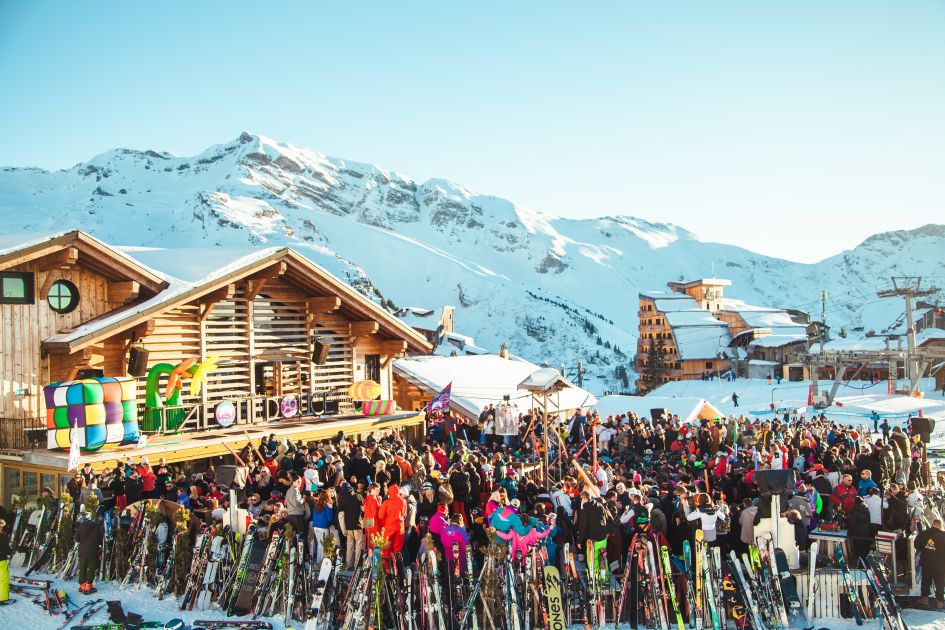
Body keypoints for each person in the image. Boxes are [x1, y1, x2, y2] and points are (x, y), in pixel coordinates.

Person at [915, 519, 945, 608]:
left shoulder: (924, 533)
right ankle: (939, 602)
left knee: (926, 580)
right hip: (940, 564)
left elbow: (917, 545)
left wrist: (926, 549)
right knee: (939, 582)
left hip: (926, 561)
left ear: (932, 524)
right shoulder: (943, 535)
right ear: (940, 526)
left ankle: (924, 599)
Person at [75, 507, 103, 594]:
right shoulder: (96, 526)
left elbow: (76, 539)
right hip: (93, 551)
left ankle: (82, 585)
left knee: (82, 568)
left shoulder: (80, 527)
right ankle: (88, 586)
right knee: (91, 568)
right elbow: (100, 538)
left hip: (83, 551)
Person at [0, 518, 10, 605]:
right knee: (3, 579)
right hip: (1, 560)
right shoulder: (3, 536)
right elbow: (6, 549)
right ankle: (2, 598)